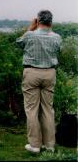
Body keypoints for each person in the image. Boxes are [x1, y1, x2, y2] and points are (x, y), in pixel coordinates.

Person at [16, 10, 62, 153]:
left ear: (38, 21)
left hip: (31, 73)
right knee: (48, 109)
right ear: (51, 22)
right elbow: (58, 50)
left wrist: (31, 28)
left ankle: (35, 145)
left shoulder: (30, 35)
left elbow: (18, 44)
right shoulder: (57, 37)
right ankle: (49, 145)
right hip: (49, 73)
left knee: (31, 110)